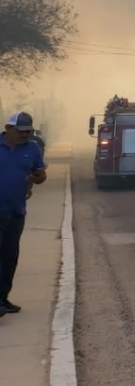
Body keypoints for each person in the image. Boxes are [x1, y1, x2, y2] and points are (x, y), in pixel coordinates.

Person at [0, 112, 47, 319]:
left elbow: (40, 175)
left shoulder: (32, 149)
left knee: (10, 258)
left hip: (17, 211)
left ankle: (2, 298)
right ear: (8, 129)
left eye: (28, 132)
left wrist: (39, 177)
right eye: (20, 131)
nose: (24, 135)